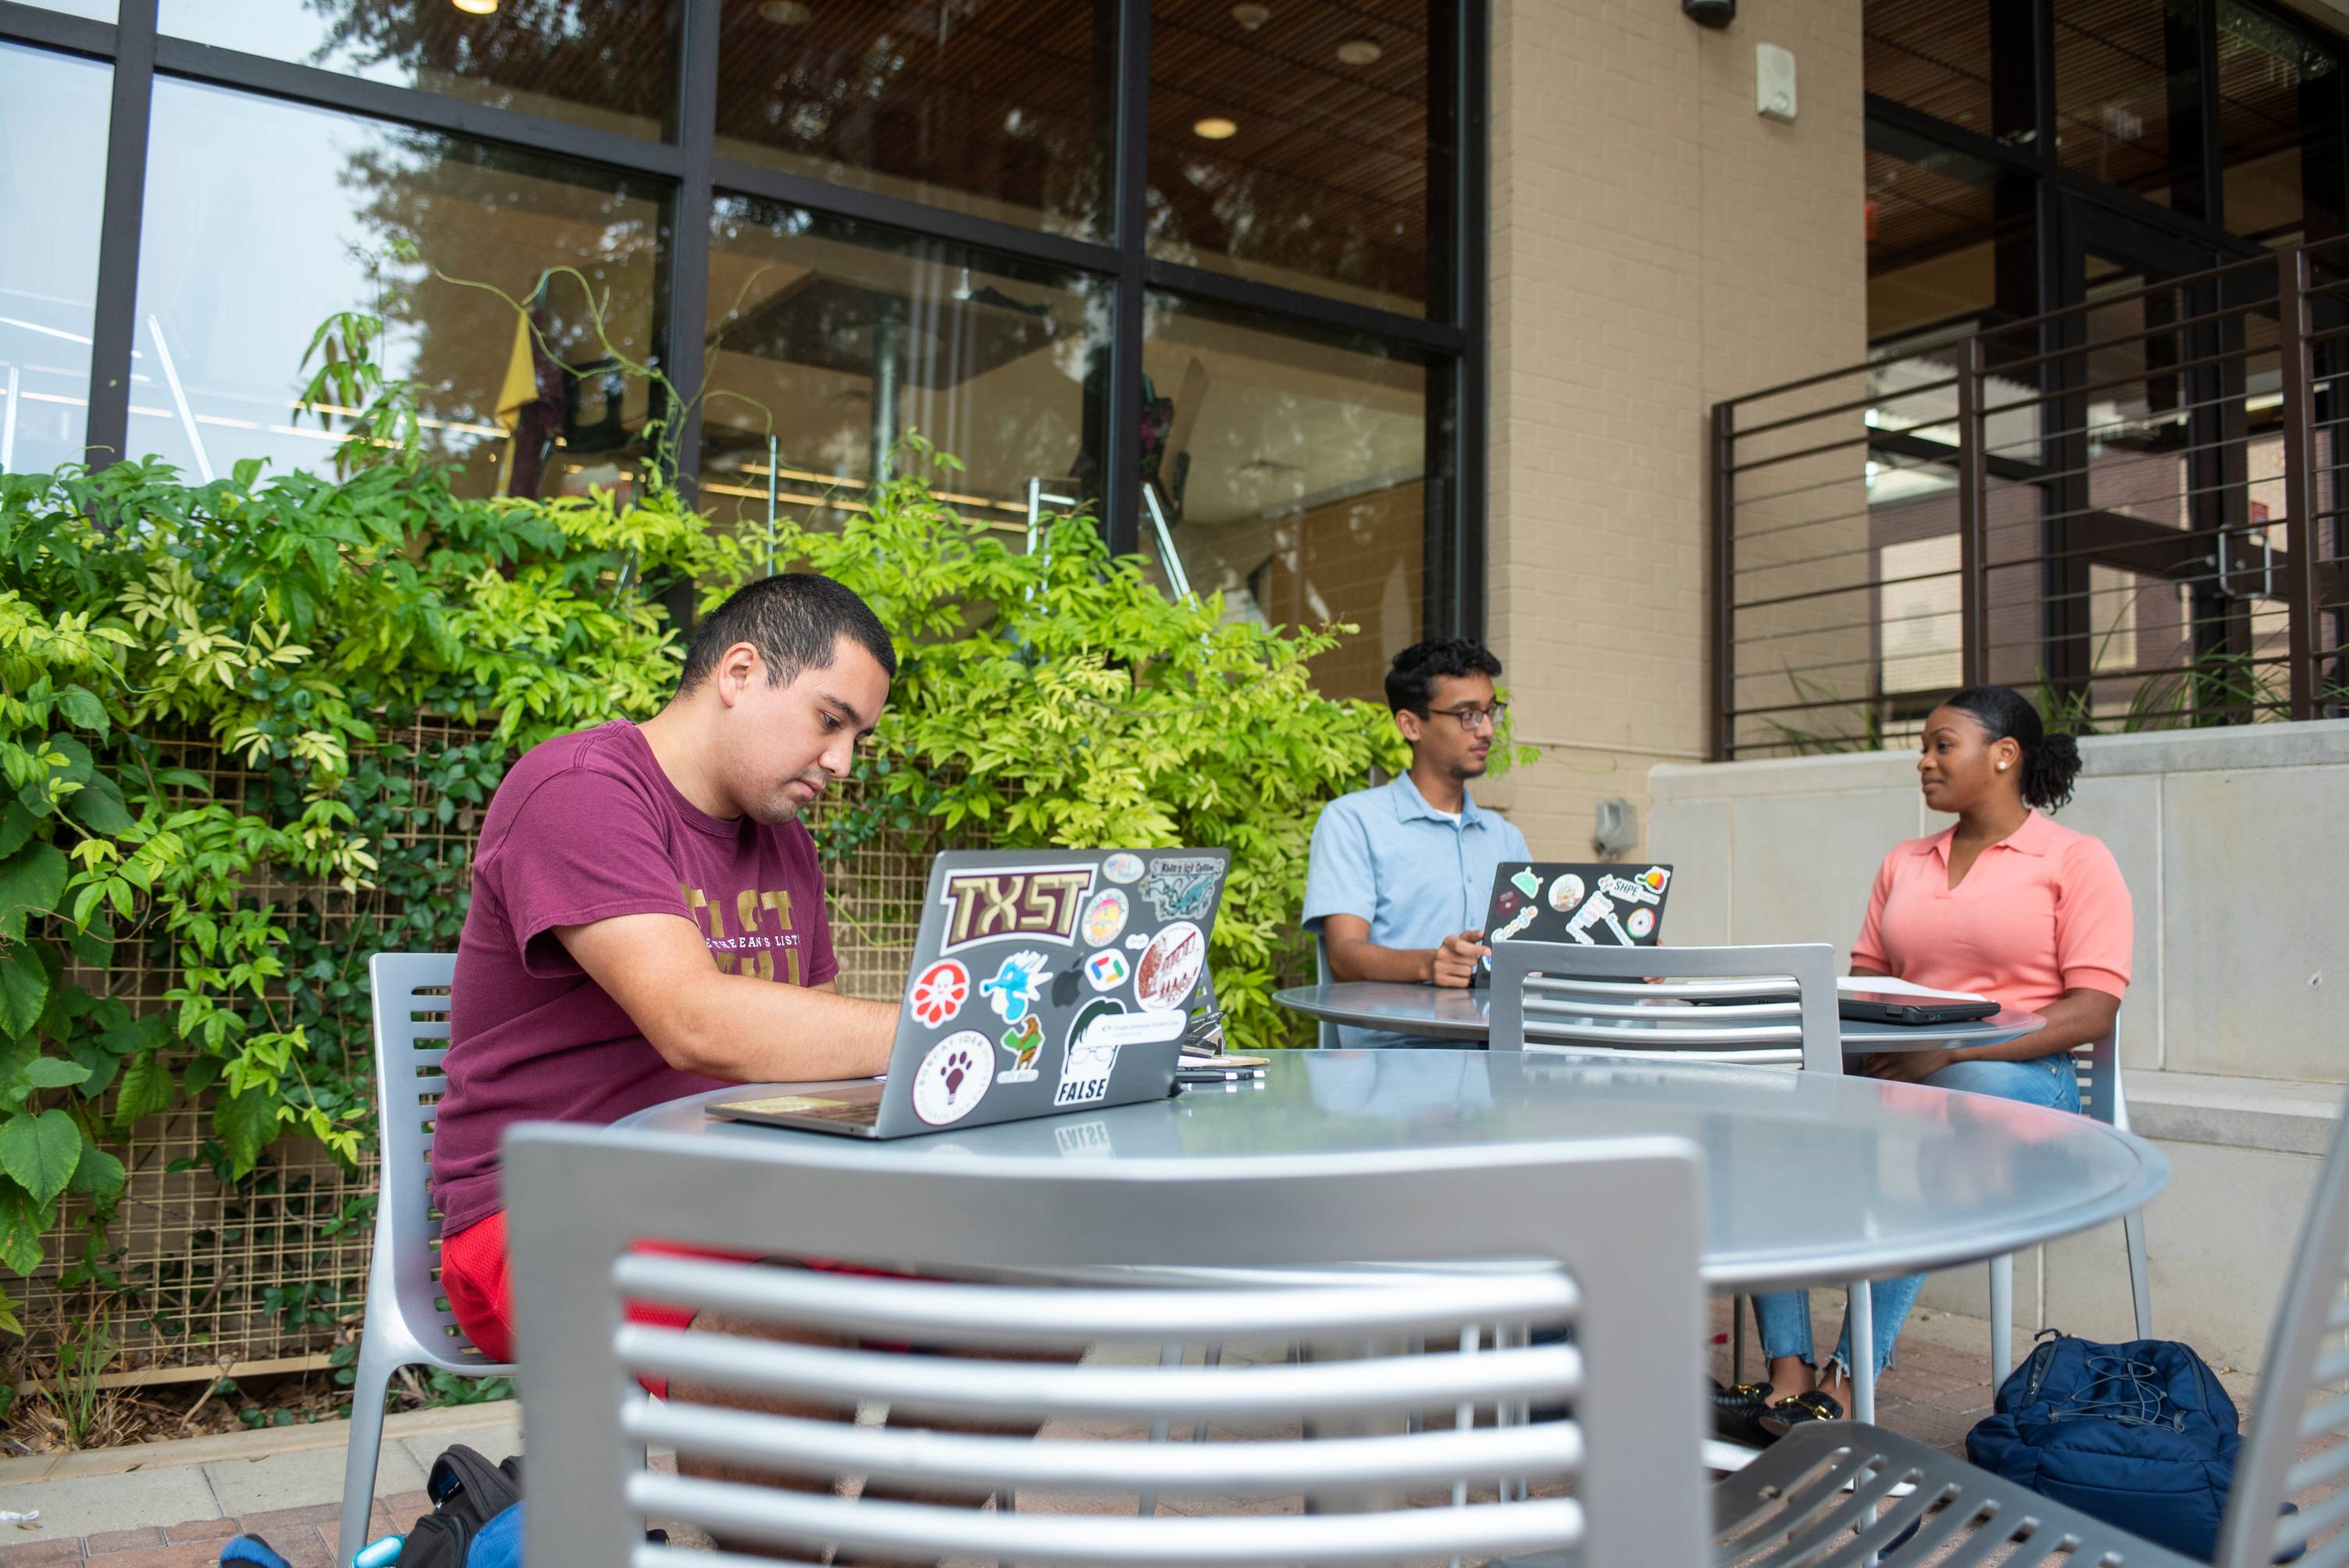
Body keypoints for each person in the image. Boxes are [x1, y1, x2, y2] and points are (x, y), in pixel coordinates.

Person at [431, 571, 903, 1363]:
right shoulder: (581, 790)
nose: (842, 761)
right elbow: (692, 1022)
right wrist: (946, 1029)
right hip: (542, 1206)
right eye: (830, 720)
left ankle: (912, 1495)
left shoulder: (781, 839)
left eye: (858, 737)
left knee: (1000, 1286)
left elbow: (822, 1068)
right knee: (769, 1326)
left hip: (730, 1188)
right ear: (740, 672)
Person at [1734, 684, 2133, 1439]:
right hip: (1910, 1076)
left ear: (2004, 755)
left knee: (1950, 1097)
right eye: (1924, 745)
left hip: (2026, 1085)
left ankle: (1848, 1382)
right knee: (1765, 1106)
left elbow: (2093, 1009)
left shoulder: (2075, 861)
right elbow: (1862, 986)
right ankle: (1788, 1373)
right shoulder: (1905, 862)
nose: (1923, 761)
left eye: (1941, 744)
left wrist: (1949, 1049)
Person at [1302, 638, 1531, 1047]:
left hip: (1497, 1056)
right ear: (1411, 725)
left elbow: (1533, 951)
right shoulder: (1353, 821)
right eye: (1467, 715)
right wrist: (1429, 963)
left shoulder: (1504, 836)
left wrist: (1623, 957)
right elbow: (1344, 955)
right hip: (1395, 1060)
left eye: (1490, 711)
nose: (1487, 730)